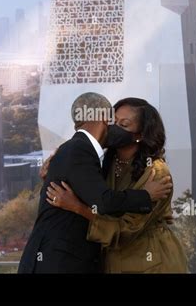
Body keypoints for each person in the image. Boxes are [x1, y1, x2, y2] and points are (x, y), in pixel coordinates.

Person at [18, 93, 173, 273]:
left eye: (123, 124)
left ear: (140, 134)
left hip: (147, 266)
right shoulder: (92, 157)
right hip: (62, 263)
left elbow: (126, 230)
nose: (112, 126)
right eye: (112, 120)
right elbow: (103, 201)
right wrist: (145, 196)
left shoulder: (156, 173)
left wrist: (76, 206)